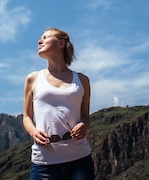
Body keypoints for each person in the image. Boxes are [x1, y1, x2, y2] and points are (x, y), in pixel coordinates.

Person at [23, 27, 95, 180]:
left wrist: (84, 125)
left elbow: (86, 117)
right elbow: (27, 117)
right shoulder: (33, 78)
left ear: (61, 43)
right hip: (44, 163)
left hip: (80, 160)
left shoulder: (82, 80)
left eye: (45, 37)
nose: (39, 41)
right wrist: (33, 132)